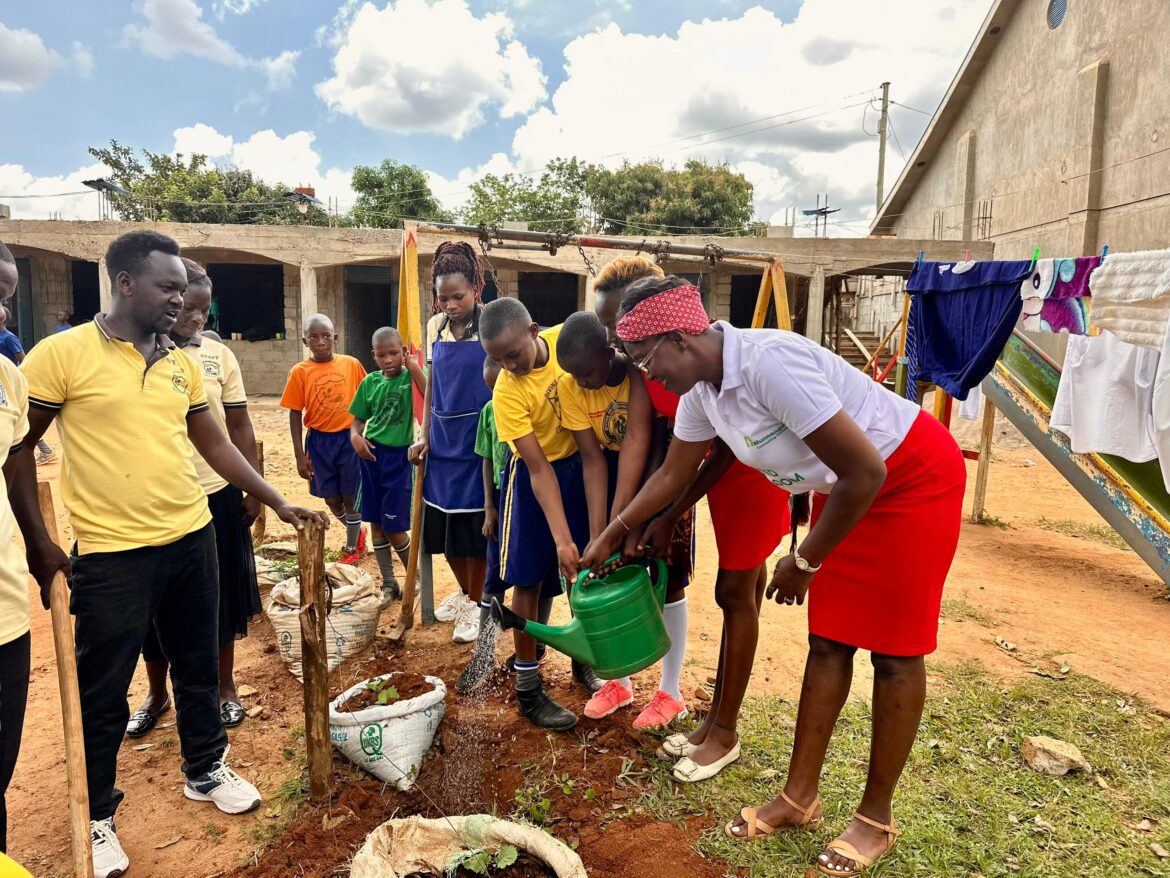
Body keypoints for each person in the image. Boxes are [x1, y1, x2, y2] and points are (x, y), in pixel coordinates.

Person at [582, 276, 965, 876]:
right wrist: (613, 532)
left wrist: (806, 559)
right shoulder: (702, 392)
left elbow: (866, 469)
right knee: (828, 644)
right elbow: (672, 474)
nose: (648, 375)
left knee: (895, 653)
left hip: (908, 477)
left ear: (679, 339)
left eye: (647, 360)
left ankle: (874, 818)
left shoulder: (768, 364)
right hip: (844, 488)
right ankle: (798, 797)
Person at [19, 231, 325, 878]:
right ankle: (97, 814)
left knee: (197, 663)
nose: (179, 301)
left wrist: (275, 498)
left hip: (191, 538)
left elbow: (215, 444)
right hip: (111, 555)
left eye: (183, 290)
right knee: (104, 689)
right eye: (167, 288)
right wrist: (39, 541)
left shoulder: (181, 361)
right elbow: (18, 449)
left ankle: (205, 768)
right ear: (125, 283)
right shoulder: (62, 355)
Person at [592, 258, 791, 755]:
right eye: (609, 329)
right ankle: (716, 717)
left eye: (619, 324)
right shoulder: (646, 364)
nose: (614, 338)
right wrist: (619, 525)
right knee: (738, 591)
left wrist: (669, 514)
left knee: (735, 591)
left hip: (748, 469)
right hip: (694, 470)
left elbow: (727, 450)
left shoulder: (703, 357)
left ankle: (723, 729)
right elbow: (642, 443)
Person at [127, 258, 266, 736]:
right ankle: (156, 693)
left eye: (204, 310)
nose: (196, 317)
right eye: (188, 307)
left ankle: (225, 688)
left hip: (215, 494)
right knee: (154, 605)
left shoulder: (217, 356)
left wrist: (253, 489)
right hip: (156, 499)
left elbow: (238, 425)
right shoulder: (138, 354)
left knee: (220, 597)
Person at [557, 311, 692, 727]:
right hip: (613, 475)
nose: (582, 382)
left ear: (608, 351)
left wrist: (623, 526)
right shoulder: (570, 388)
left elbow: (645, 445)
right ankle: (619, 681)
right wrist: (600, 534)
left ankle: (670, 691)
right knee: (609, 573)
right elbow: (593, 461)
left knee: (667, 577)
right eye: (574, 375)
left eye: (587, 372)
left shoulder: (637, 373)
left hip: (660, 475)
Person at [479, 297, 599, 731]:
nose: (508, 366)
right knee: (526, 580)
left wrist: (582, 536)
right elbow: (537, 468)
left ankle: (585, 661)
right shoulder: (506, 392)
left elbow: (590, 450)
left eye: (513, 355)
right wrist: (561, 538)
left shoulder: (565, 344)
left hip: (579, 469)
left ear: (534, 331)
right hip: (532, 481)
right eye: (498, 359)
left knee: (585, 569)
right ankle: (528, 688)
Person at [0, 242, 70, 857]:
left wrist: (40, 543)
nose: (1, 313)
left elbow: (17, 459)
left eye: (5, 297)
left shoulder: (6, 377)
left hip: (5, 609)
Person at [409, 243, 491, 644]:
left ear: (476, 288)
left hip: (479, 442)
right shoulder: (435, 328)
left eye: (458, 296)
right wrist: (424, 435)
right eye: (443, 298)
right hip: (443, 441)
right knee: (446, 527)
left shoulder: (491, 323)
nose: (451, 305)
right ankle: (464, 592)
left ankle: (477, 602)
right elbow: (433, 387)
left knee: (475, 531)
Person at [349, 327, 426, 605]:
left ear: (403, 352)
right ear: (374, 356)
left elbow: (430, 394)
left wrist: (414, 366)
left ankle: (415, 576)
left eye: (394, 353)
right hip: (371, 456)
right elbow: (357, 420)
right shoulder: (370, 382)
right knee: (377, 523)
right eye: (382, 355)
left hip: (399, 459)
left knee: (394, 526)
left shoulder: (409, 378)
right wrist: (355, 437)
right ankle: (389, 583)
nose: (388, 359)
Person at [281, 313, 366, 562]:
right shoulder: (300, 372)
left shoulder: (351, 365)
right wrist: (299, 455)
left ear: (335, 338)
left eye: (326, 336)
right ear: (305, 341)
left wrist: (363, 432)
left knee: (351, 496)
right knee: (332, 499)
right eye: (314, 337)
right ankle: (356, 531)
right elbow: (294, 413)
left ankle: (352, 548)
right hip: (319, 443)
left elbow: (367, 398)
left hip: (349, 439)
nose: (320, 342)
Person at [0, 306, 57, 465]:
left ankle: (46, 450)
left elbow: (23, 359)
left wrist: (17, 380)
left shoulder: (9, 338)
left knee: (18, 421)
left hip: (9, 385)